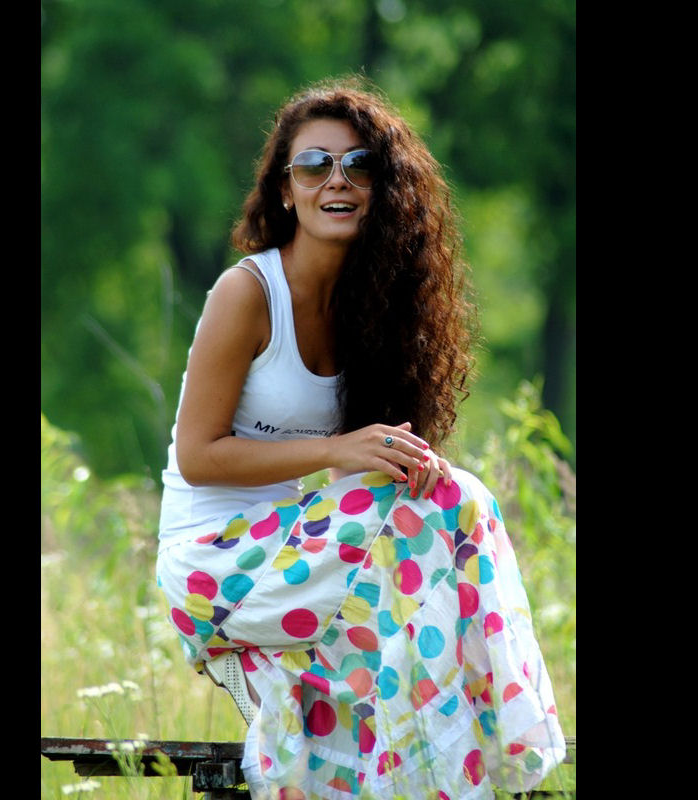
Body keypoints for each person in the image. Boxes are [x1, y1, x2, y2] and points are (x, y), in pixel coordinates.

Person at [156, 78, 566, 800]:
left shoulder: (372, 309)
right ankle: (475, 763)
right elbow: (197, 456)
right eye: (314, 165)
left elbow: (376, 481)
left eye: (360, 165)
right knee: (441, 506)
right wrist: (336, 451)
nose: (337, 181)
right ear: (286, 191)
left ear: (385, 188)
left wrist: (406, 467)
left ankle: (478, 756)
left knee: (455, 498)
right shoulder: (248, 292)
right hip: (211, 567)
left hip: (300, 555)